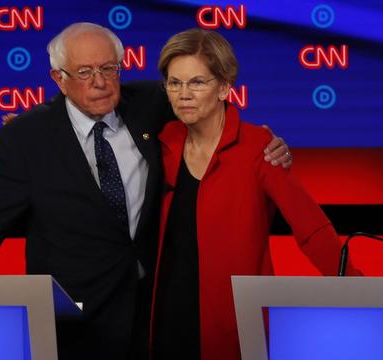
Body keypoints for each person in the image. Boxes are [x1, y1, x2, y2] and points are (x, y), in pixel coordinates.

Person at [0, 23, 292, 360]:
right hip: (75, 324)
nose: (99, 82)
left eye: (108, 69)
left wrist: (266, 142)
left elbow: (212, 113)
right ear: (59, 79)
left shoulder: (152, 102)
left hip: (155, 315)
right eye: (84, 73)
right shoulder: (28, 137)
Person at [149, 29, 361, 360]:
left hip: (234, 321)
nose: (183, 94)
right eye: (174, 83)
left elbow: (311, 228)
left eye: (197, 82)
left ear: (224, 88)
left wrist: (363, 291)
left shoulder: (258, 148)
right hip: (164, 318)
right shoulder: (160, 142)